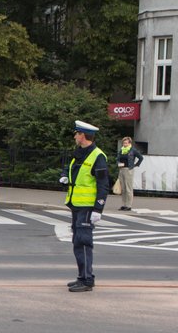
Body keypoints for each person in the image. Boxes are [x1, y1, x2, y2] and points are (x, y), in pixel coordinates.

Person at [60, 120, 109, 292]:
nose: (74, 136)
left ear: (83, 136)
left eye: (76, 133)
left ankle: (88, 280)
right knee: (77, 242)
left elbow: (103, 185)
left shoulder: (98, 156)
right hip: (76, 204)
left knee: (84, 242)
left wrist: (98, 209)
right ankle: (82, 276)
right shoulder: (80, 153)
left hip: (88, 207)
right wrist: (65, 175)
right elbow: (69, 167)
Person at [116, 136, 143, 211]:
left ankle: (129, 205)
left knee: (128, 188)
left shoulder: (133, 150)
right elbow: (117, 158)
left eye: (126, 143)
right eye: (123, 143)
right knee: (123, 188)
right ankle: (124, 204)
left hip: (129, 170)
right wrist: (118, 163)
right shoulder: (121, 150)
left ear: (129, 143)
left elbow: (141, 157)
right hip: (121, 169)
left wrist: (136, 165)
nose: (124, 144)